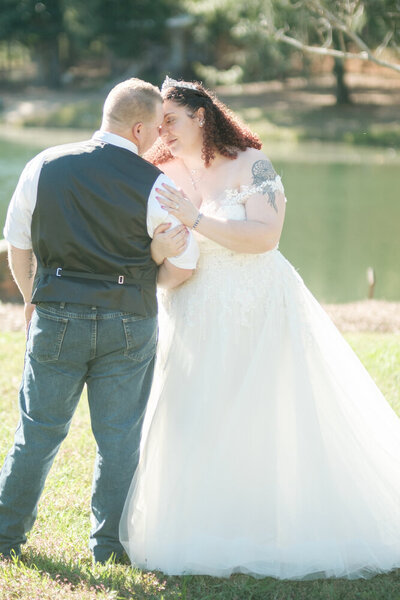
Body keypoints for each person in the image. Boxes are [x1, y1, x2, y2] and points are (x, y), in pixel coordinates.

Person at [120, 77, 400, 580]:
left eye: (171, 121)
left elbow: (265, 237)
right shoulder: (159, 169)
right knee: (195, 410)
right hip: (191, 306)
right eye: (158, 123)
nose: (163, 131)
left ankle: (273, 526)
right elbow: (147, 243)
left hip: (258, 303)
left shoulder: (253, 164)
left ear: (200, 115)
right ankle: (200, 525)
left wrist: (196, 220)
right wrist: (162, 246)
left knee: (262, 410)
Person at [0, 77, 199, 564]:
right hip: (128, 322)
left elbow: (17, 245)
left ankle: (5, 537)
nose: (158, 138)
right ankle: (108, 548)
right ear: (137, 127)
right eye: (155, 128)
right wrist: (148, 277)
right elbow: (185, 262)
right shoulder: (157, 184)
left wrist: (33, 298)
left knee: (38, 431)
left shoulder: (44, 165)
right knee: (119, 437)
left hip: (57, 315)